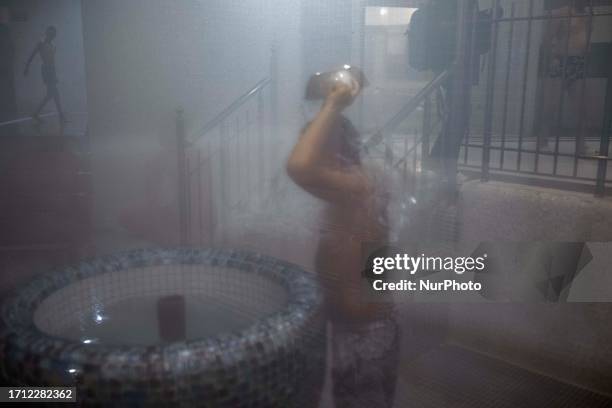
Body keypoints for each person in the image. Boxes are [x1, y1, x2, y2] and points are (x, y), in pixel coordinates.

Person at [287, 69, 399, 408]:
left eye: (318, 142)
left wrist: (333, 104)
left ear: (336, 152)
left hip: (366, 333)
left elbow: (299, 167)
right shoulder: (347, 188)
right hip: (354, 326)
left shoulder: (359, 185)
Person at [540, 0, 592, 153]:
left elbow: (587, 39)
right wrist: (553, 59)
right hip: (561, 61)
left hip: (578, 62)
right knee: (550, 106)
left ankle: (581, 146)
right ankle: (542, 142)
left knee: (582, 109)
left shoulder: (589, 14)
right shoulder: (562, 13)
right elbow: (547, 39)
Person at [24, 25, 66, 125]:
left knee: (51, 94)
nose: (52, 36)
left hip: (51, 69)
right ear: (47, 33)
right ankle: (61, 116)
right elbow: (32, 54)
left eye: (53, 34)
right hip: (47, 69)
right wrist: (27, 67)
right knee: (55, 93)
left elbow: (52, 59)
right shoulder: (41, 43)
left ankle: (36, 113)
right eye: (51, 34)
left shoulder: (52, 44)